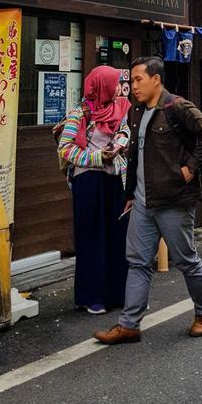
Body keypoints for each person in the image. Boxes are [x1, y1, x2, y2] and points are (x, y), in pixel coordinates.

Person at [94, 56, 202, 345]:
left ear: (156, 79)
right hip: (142, 201)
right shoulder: (136, 112)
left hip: (174, 200)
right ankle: (129, 325)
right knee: (137, 262)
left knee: (186, 260)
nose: (133, 86)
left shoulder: (176, 106)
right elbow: (137, 156)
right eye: (131, 80)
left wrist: (190, 168)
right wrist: (130, 195)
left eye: (138, 80)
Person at [58, 65, 131, 315]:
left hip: (114, 179)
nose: (119, 88)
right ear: (102, 86)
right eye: (114, 84)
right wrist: (99, 156)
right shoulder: (79, 114)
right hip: (88, 181)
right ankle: (92, 297)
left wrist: (120, 144)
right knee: (92, 237)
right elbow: (65, 149)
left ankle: (118, 294)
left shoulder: (119, 107)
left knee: (117, 236)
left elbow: (124, 130)